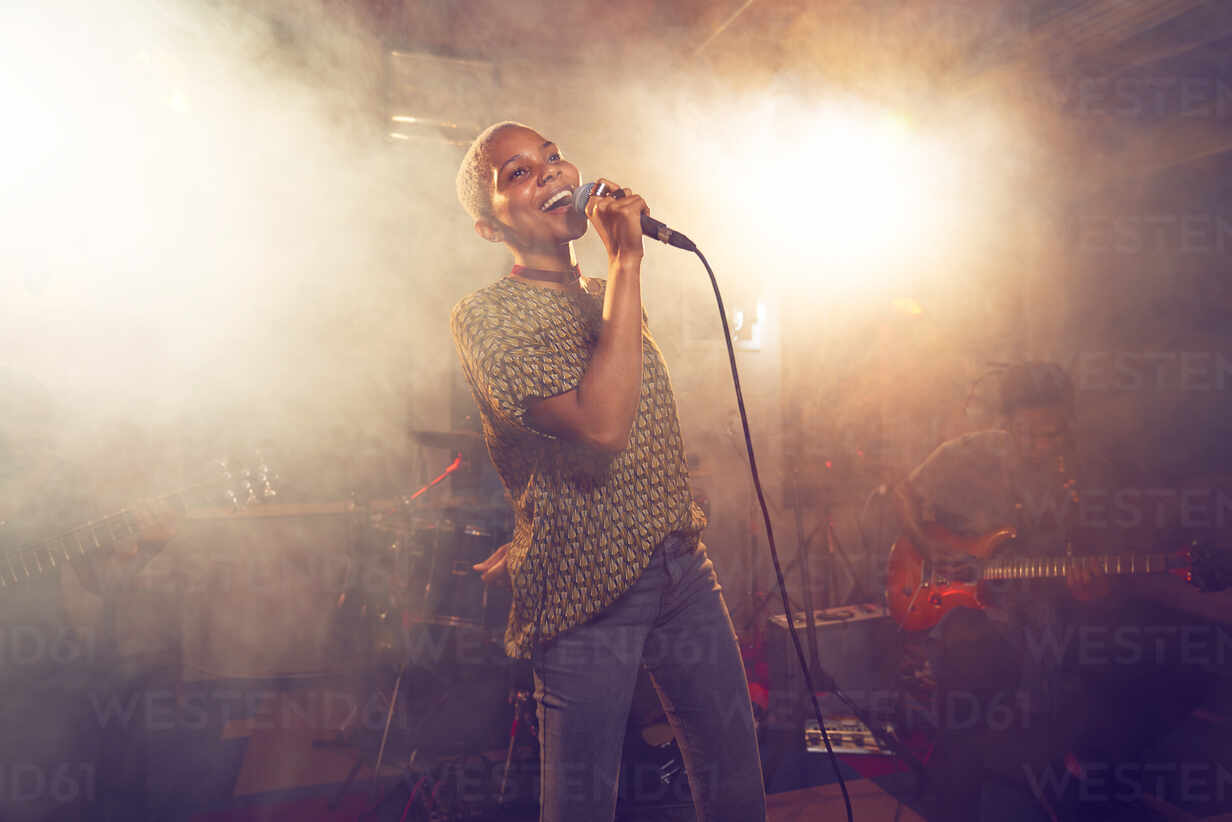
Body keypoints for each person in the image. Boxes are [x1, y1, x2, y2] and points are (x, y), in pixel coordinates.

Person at [450, 121, 766, 822]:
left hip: (682, 568)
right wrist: (627, 263)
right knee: (584, 805)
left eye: (553, 157)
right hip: (586, 593)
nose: (552, 173)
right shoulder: (485, 316)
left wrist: (619, 272)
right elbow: (600, 426)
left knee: (735, 787)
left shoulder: (604, 290)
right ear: (486, 227)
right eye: (519, 173)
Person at [894, 362, 1106, 821]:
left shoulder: (1077, 472)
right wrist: (928, 544)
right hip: (969, 614)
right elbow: (904, 493)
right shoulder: (967, 454)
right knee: (964, 726)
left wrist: (1085, 584)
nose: (1043, 444)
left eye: (1054, 433)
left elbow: (1082, 553)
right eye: (1031, 433)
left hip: (1039, 617)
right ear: (1007, 422)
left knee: (1052, 724)